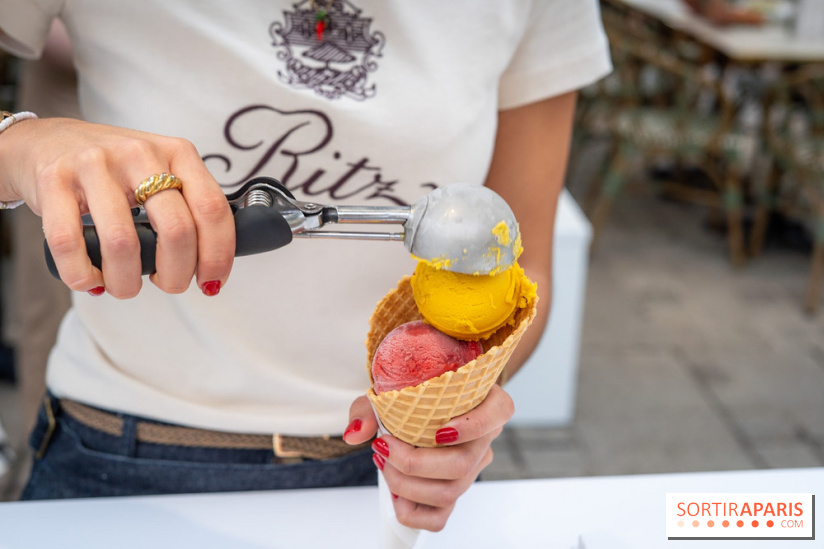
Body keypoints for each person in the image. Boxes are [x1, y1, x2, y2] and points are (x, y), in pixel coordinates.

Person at [0, 0, 611, 532]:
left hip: (391, 475)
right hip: (118, 454)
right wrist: (23, 144)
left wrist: (458, 408)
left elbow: (523, 267)